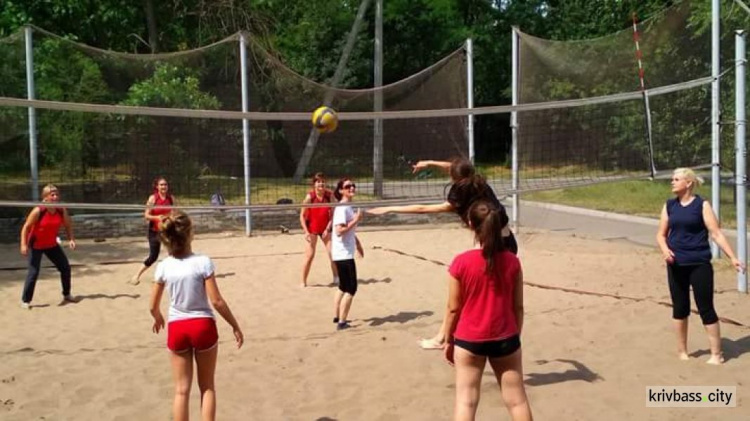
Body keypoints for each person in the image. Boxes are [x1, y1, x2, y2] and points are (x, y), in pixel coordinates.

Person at [367, 157, 517, 349]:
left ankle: (443, 338)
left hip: (493, 249)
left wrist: (389, 208)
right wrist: (429, 163)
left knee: (461, 297)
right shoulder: (479, 183)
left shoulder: (458, 200)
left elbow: (422, 208)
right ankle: (500, 336)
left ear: (455, 178)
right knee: (495, 298)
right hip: (509, 244)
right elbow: (454, 168)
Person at [149, 211, 244, 421]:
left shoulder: (163, 266)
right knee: (207, 387)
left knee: (181, 390)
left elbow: (152, 305)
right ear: (190, 234)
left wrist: (157, 317)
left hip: (177, 327)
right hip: (203, 326)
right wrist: (235, 325)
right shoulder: (203, 261)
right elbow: (217, 301)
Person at [444, 200, 532, 421]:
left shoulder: (461, 262)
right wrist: (515, 337)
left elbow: (454, 308)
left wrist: (447, 339)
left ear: (471, 224)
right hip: (506, 336)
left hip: (469, 338)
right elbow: (518, 306)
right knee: (517, 400)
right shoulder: (512, 261)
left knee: (466, 400)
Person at [656, 168, 744, 365]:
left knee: (706, 308)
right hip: (676, 264)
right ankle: (682, 352)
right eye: (672, 179)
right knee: (680, 308)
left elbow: (716, 234)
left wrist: (733, 257)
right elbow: (661, 234)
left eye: (676, 179)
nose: (672, 182)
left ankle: (716, 354)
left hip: (699, 264)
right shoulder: (669, 205)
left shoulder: (701, 205)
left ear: (688, 183)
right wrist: (665, 250)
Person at [19, 184, 77, 309]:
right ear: (45, 198)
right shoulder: (38, 210)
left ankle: (66, 294)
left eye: (57, 194)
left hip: (51, 244)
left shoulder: (61, 210)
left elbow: (68, 225)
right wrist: (23, 245)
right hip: (36, 245)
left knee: (65, 268)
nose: (55, 197)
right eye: (52, 195)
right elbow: (26, 228)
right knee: (33, 272)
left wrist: (71, 239)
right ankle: (25, 300)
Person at [331, 177, 364, 330]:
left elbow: (348, 231)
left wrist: (358, 244)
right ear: (341, 190)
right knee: (351, 288)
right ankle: (342, 322)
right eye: (348, 186)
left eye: (353, 185)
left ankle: (337, 316)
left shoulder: (346, 207)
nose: (352, 188)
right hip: (343, 255)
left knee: (343, 286)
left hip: (342, 253)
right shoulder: (342, 208)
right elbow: (339, 231)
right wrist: (356, 219)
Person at [130, 177, 175, 285]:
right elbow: (146, 215)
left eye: (165, 184)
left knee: (172, 254)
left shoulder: (171, 198)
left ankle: (168, 276)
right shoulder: (153, 198)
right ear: (157, 186)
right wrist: (157, 218)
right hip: (154, 230)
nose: (164, 186)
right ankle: (136, 275)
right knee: (153, 256)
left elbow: (174, 213)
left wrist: (171, 218)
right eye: (161, 185)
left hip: (167, 230)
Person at [300, 172, 338, 287]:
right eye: (318, 182)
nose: (321, 183)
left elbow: (333, 214)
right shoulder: (309, 197)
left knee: (332, 253)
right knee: (310, 256)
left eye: (323, 181)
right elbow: (301, 216)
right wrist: (306, 232)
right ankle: (303, 281)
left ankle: (336, 278)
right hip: (312, 229)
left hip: (325, 229)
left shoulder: (329, 196)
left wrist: (328, 228)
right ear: (314, 184)